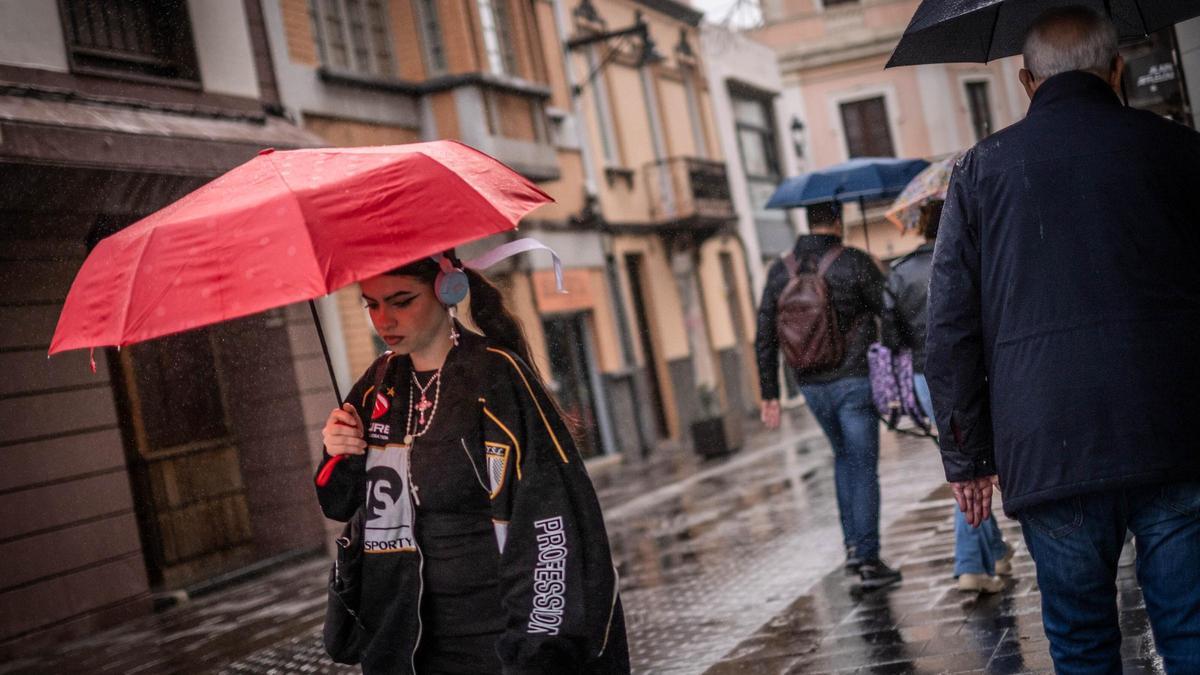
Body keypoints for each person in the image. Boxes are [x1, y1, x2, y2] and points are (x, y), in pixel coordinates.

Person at [926, 6, 1200, 671]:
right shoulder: (1176, 149)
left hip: (1046, 442)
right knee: (1191, 633)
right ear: (1117, 69)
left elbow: (949, 324)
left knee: (1081, 644)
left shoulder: (978, 172)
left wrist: (967, 458)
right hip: (1175, 430)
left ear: (1025, 82)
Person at [315, 254, 630, 674]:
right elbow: (339, 503)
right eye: (370, 304)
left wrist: (535, 650)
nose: (383, 319)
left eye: (401, 300)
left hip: (502, 642)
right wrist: (339, 450)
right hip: (408, 646)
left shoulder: (495, 376)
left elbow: (546, 517)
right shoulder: (379, 386)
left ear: (448, 290)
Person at [756, 201, 901, 590]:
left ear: (808, 222)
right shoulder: (853, 261)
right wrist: (890, 359)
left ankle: (853, 549)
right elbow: (889, 310)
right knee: (863, 465)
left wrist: (769, 392)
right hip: (854, 380)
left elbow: (764, 335)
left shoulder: (779, 270)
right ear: (838, 222)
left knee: (842, 460)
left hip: (810, 385)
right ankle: (869, 560)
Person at [883, 201, 1012, 594]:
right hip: (974, 371)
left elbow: (891, 340)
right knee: (969, 463)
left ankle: (995, 550)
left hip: (926, 379)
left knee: (963, 454)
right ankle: (971, 563)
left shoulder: (900, 272)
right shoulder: (969, 259)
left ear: (920, 226)